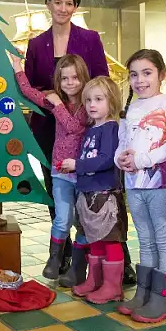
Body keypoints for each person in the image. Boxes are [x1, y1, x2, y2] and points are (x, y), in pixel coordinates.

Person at [23, 0, 130, 282]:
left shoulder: (90, 38)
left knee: (100, 195)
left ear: (75, 7)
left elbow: (103, 82)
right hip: (49, 130)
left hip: (89, 128)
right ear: (48, 4)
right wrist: (51, 99)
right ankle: (65, 257)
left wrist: (93, 113)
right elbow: (30, 87)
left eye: (69, 3)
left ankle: (119, 258)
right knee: (59, 197)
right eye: (57, 2)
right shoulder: (36, 44)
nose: (62, 8)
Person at [115, 49, 166, 323]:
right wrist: (120, 159)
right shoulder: (131, 107)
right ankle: (144, 293)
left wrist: (144, 159)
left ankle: (165, 298)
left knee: (164, 238)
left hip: (161, 184)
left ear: (162, 75)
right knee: (144, 238)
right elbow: (123, 143)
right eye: (134, 74)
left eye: (147, 73)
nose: (140, 80)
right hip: (134, 184)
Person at [13, 53, 89, 286]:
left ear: (83, 78)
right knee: (62, 217)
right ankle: (54, 259)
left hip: (85, 174)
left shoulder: (90, 103)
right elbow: (29, 92)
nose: (70, 83)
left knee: (84, 222)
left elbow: (74, 127)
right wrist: (17, 67)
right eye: (64, 78)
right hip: (61, 173)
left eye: (75, 77)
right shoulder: (56, 100)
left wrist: (56, 104)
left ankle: (78, 267)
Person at [62, 76, 128, 304]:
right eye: (88, 99)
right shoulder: (92, 129)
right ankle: (95, 280)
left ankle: (112, 287)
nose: (92, 104)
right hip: (89, 195)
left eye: (98, 99)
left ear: (111, 101)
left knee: (110, 240)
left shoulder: (110, 128)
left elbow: (106, 159)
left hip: (105, 195)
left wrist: (77, 165)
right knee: (95, 239)